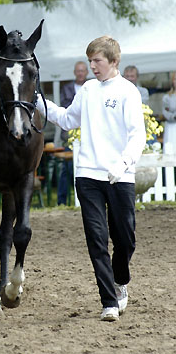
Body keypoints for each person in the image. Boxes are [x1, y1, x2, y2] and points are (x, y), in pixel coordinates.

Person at [37, 36, 146, 321]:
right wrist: (36, 101)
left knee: (126, 239)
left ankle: (120, 281)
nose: (92, 66)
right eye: (90, 61)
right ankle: (108, 301)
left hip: (120, 176)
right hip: (88, 175)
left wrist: (124, 163)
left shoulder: (128, 92)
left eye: (97, 61)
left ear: (113, 61)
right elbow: (67, 118)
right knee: (97, 239)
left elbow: (138, 136)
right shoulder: (87, 90)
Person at [57, 61, 88, 205]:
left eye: (83, 71)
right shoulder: (67, 88)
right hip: (70, 133)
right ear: (75, 72)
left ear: (86, 72)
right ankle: (62, 200)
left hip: (88, 132)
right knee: (66, 168)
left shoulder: (92, 87)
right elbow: (66, 107)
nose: (80, 73)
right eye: (78, 71)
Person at [162, 72, 176, 154]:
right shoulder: (167, 97)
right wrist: (173, 117)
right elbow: (165, 111)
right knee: (170, 150)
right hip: (171, 127)